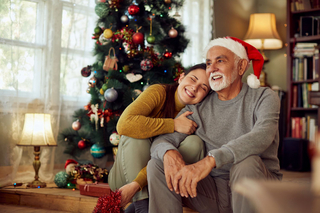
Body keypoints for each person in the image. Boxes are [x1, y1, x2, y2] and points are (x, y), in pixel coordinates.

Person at [147, 36, 283, 213]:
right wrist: (169, 153)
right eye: (209, 63)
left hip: (257, 188)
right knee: (157, 165)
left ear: (241, 66)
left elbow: (262, 136)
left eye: (220, 61)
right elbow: (161, 141)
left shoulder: (264, 97)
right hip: (214, 194)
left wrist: (211, 160)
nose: (212, 69)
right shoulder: (198, 107)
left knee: (246, 163)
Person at [108, 63, 211, 213]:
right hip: (124, 178)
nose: (195, 88)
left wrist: (139, 182)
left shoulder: (197, 115)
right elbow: (123, 125)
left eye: (203, 87)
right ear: (181, 77)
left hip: (161, 183)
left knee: (195, 143)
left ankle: (138, 204)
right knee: (137, 136)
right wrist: (173, 124)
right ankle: (142, 205)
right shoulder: (159, 92)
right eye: (193, 79)